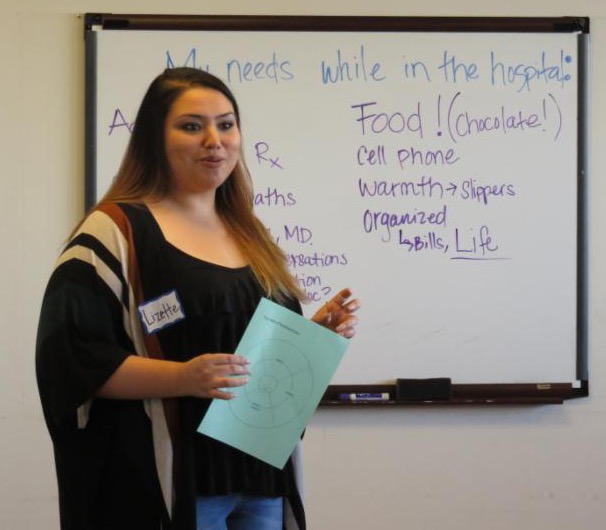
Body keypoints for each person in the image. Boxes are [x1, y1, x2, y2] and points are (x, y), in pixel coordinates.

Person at [35, 67, 360, 530]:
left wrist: (312, 337)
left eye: (226, 124)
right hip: (170, 485)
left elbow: (255, 365)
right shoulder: (115, 233)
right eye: (192, 126)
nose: (215, 139)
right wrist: (182, 377)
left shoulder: (251, 234)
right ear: (155, 139)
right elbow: (72, 360)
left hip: (260, 481)